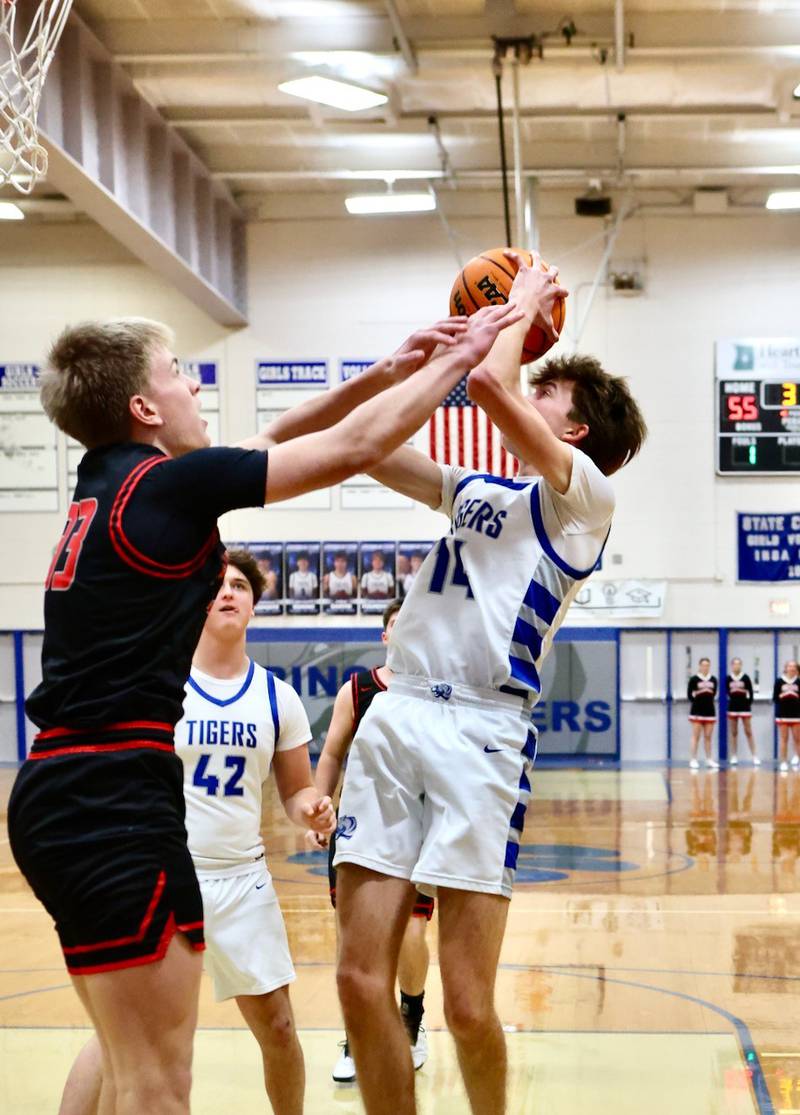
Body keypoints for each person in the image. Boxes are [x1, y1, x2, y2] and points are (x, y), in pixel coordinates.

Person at [6, 304, 523, 1115]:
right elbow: (351, 448)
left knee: (118, 1055)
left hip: (65, 787)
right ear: (144, 408)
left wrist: (388, 373)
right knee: (155, 1078)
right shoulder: (165, 487)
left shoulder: (117, 486)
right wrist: (462, 356)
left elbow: (272, 439)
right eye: (177, 371)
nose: (192, 382)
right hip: (110, 793)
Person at [331, 253, 647, 1115]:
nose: (531, 390)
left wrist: (514, 311)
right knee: (360, 983)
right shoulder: (481, 491)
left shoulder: (586, 500)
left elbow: (500, 395)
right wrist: (417, 364)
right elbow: (370, 451)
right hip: (397, 714)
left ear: (575, 432)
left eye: (553, 393)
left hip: (480, 732)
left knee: (469, 1005)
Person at [58, 548, 329, 1115]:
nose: (228, 593)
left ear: (255, 605)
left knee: (279, 1027)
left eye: (240, 586)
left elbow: (296, 790)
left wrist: (311, 811)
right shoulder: (160, 684)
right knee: (122, 1044)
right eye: (216, 586)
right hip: (163, 879)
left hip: (242, 881)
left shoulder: (279, 699)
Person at [310, 599, 433, 1083]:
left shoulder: (435, 691)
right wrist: (319, 806)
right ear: (385, 635)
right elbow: (332, 752)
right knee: (353, 944)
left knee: (410, 934)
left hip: (416, 828)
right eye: (395, 625)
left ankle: (411, 1023)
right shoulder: (358, 689)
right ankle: (357, 1035)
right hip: (357, 829)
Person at [726, 658, 759, 766]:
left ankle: (754, 756)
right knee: (734, 732)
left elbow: (751, 692)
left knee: (748, 731)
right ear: (731, 666)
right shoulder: (728, 678)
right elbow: (727, 692)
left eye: (739, 664)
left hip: (744, 707)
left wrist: (748, 703)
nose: (737, 666)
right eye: (735, 664)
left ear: (741, 665)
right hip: (733, 707)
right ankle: (734, 755)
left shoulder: (745, 678)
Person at [688, 658, 719, 770]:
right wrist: (697, 701)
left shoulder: (714, 679)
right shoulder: (694, 679)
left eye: (707, 665)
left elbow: (714, 693)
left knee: (708, 736)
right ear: (699, 666)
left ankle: (709, 759)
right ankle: (693, 759)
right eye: (703, 665)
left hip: (710, 710)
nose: (705, 667)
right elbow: (690, 695)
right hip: (697, 711)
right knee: (696, 736)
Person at [774, 660, 800, 772]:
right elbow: (775, 698)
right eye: (790, 666)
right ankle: (783, 761)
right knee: (784, 739)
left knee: (797, 739)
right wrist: (784, 694)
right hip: (783, 714)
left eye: (794, 666)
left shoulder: (798, 682)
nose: (792, 668)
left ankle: (797, 758)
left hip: (796, 714)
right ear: (786, 668)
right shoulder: (779, 681)